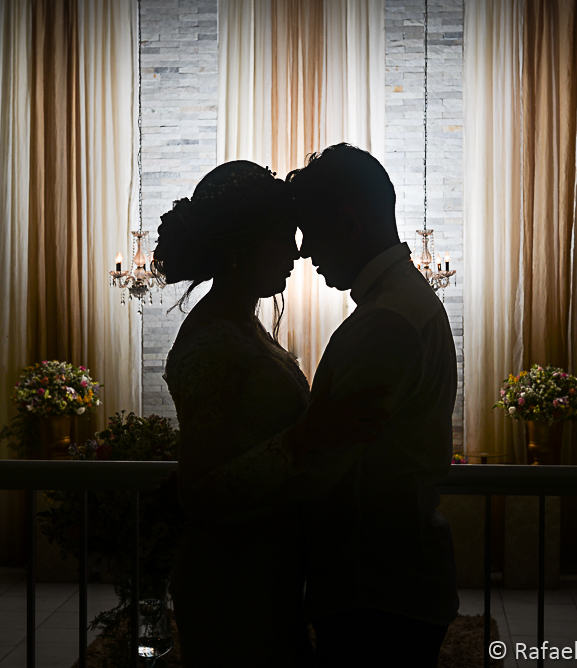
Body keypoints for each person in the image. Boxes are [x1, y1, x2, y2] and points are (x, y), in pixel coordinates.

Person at [153, 160, 387, 668]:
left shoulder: (242, 325)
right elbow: (199, 493)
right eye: (283, 239)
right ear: (240, 250)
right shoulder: (213, 343)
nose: (297, 253)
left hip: (269, 566)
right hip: (231, 578)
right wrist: (305, 439)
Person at [286, 143, 459, 667]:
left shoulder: (386, 321)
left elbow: (321, 467)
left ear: (348, 223)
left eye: (310, 232)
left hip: (376, 587)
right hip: (393, 579)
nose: (304, 252)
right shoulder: (404, 301)